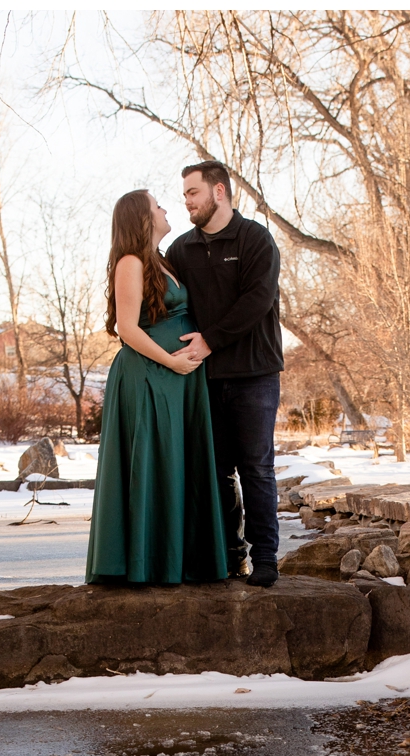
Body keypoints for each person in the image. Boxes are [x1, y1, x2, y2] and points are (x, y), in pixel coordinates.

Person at [84, 189, 227, 585]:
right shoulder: (129, 262)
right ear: (143, 218)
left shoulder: (160, 261)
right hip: (149, 378)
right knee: (153, 464)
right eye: (158, 205)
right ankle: (147, 565)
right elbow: (127, 329)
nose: (166, 210)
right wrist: (172, 361)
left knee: (175, 466)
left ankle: (177, 561)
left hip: (177, 381)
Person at [168, 160, 284, 587]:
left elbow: (257, 301)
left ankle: (266, 560)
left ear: (218, 192)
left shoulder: (256, 240)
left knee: (256, 467)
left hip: (255, 374)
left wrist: (211, 339)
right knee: (215, 471)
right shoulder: (182, 250)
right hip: (203, 379)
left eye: (192, 193)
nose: (187, 202)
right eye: (184, 196)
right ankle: (230, 555)